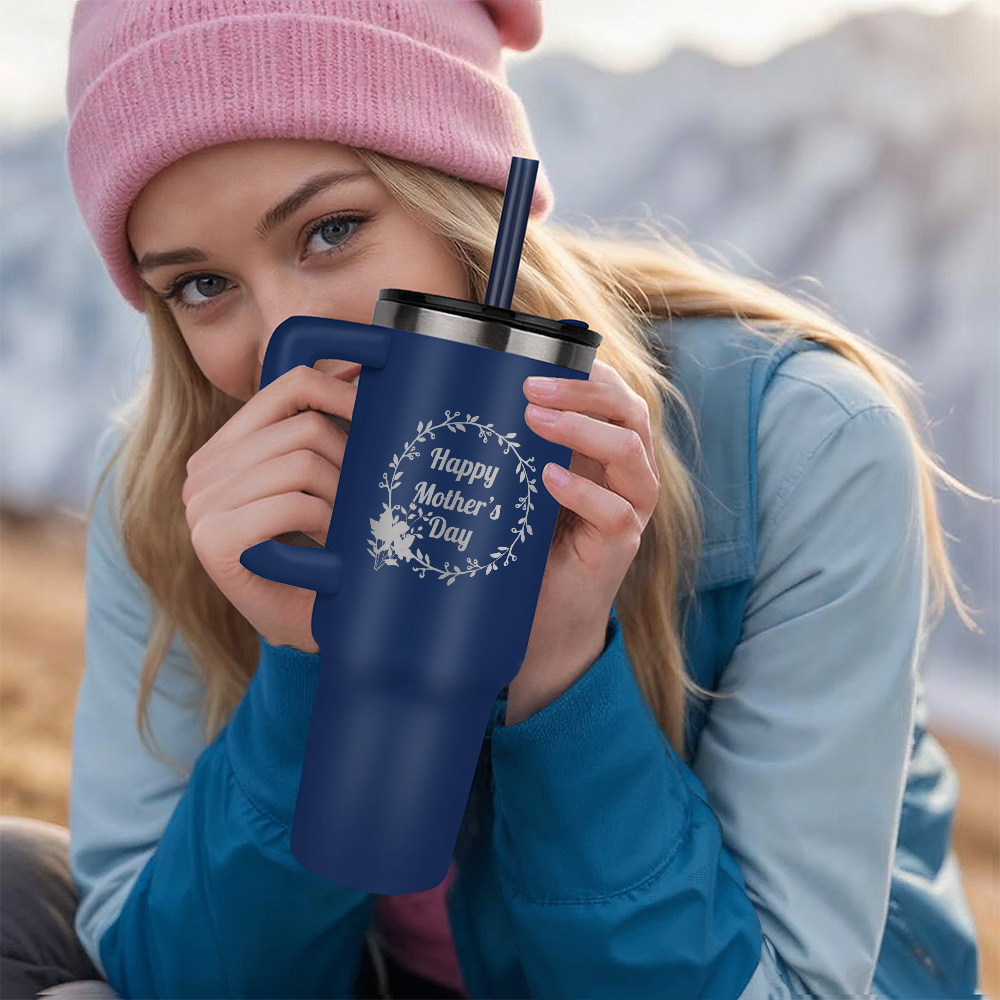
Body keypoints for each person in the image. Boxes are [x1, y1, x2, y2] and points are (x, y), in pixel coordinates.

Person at [0, 1, 989, 998]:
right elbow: (179, 981)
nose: (283, 339)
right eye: (203, 285)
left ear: (465, 195)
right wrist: (309, 663)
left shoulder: (799, 443)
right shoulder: (176, 483)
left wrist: (560, 674)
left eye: (332, 229)